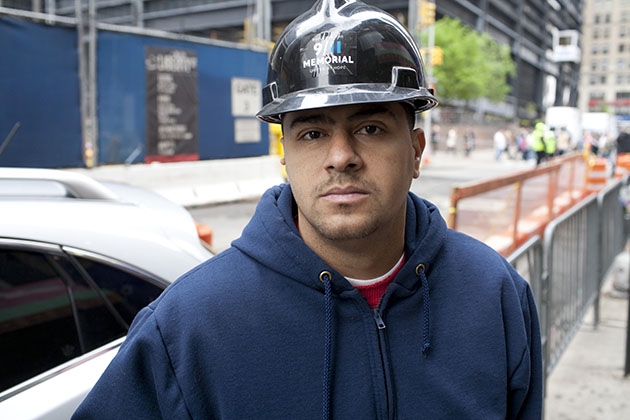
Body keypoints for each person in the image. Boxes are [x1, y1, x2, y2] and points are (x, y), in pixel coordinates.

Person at [73, 1, 542, 419]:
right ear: (285, 155)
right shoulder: (189, 328)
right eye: (312, 133)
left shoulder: (495, 295)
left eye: (372, 128)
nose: (341, 156)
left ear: (417, 150)